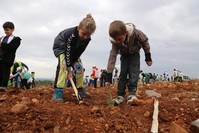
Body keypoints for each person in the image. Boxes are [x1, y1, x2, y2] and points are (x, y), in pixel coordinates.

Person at [105, 20, 153, 105]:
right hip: (124, 55)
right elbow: (112, 57)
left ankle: (132, 94)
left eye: (120, 39)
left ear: (126, 32)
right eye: (116, 40)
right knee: (123, 73)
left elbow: (144, 41)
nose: (118, 42)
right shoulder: (115, 42)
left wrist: (148, 56)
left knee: (134, 72)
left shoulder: (135, 33)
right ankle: (120, 95)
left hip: (134, 53)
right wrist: (109, 75)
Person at [52, 14, 96, 102]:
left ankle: (80, 89)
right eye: (83, 34)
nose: (85, 37)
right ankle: (58, 90)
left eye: (88, 35)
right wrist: (69, 69)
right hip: (61, 47)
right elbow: (67, 51)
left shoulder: (87, 39)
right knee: (63, 64)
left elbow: (80, 51)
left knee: (79, 66)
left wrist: (74, 62)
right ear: (78, 28)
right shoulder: (71, 35)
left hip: (73, 52)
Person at [0, 21, 21, 90]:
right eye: (4, 30)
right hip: (0, 57)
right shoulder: (2, 38)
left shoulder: (16, 39)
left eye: (7, 30)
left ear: (12, 29)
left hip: (8, 59)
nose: (6, 31)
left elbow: (12, 47)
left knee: (5, 73)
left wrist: (2, 44)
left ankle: (4, 86)